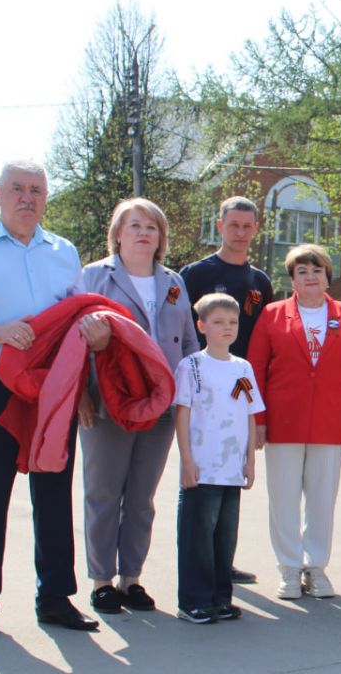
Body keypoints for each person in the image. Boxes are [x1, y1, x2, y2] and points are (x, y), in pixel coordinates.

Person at [0, 160, 109, 640]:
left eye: (37, 189)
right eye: (17, 189)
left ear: (46, 197)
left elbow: (80, 315)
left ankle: (55, 598)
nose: (27, 198)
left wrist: (95, 335)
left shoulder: (64, 251)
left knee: (54, 491)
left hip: (55, 385)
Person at [77, 198, 198, 614]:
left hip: (161, 407)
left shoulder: (174, 282)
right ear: (117, 233)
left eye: (152, 226)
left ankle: (131, 578)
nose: (144, 233)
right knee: (104, 492)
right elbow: (72, 342)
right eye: (134, 225)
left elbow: (188, 342)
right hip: (107, 403)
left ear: (161, 237)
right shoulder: (95, 276)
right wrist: (79, 395)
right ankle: (101, 580)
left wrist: (189, 394)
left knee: (142, 496)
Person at [248, 244, 341, 599]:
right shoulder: (273, 315)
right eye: (301, 271)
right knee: (284, 498)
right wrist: (257, 419)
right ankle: (289, 568)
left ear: (327, 277)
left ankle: (315, 567)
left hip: (329, 421)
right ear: (292, 279)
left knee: (322, 499)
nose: (310, 277)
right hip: (282, 420)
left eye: (316, 270)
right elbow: (255, 369)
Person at [179, 196, 273, 586]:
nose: (240, 233)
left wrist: (259, 417)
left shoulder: (260, 282)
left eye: (247, 226)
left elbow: (265, 345)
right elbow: (183, 331)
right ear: (219, 226)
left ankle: (223, 564)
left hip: (240, 391)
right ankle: (200, 575)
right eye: (233, 225)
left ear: (256, 229)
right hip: (202, 393)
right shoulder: (195, 274)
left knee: (232, 482)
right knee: (202, 482)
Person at [173, 293, 264, 623]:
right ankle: (193, 600)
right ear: (201, 326)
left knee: (224, 536)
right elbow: (182, 413)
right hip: (202, 466)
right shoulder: (192, 366)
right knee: (198, 534)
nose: (227, 328)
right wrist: (186, 459)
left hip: (231, 469)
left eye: (233, 322)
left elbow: (250, 412)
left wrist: (250, 461)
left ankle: (219, 598)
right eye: (218, 322)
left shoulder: (242, 367)